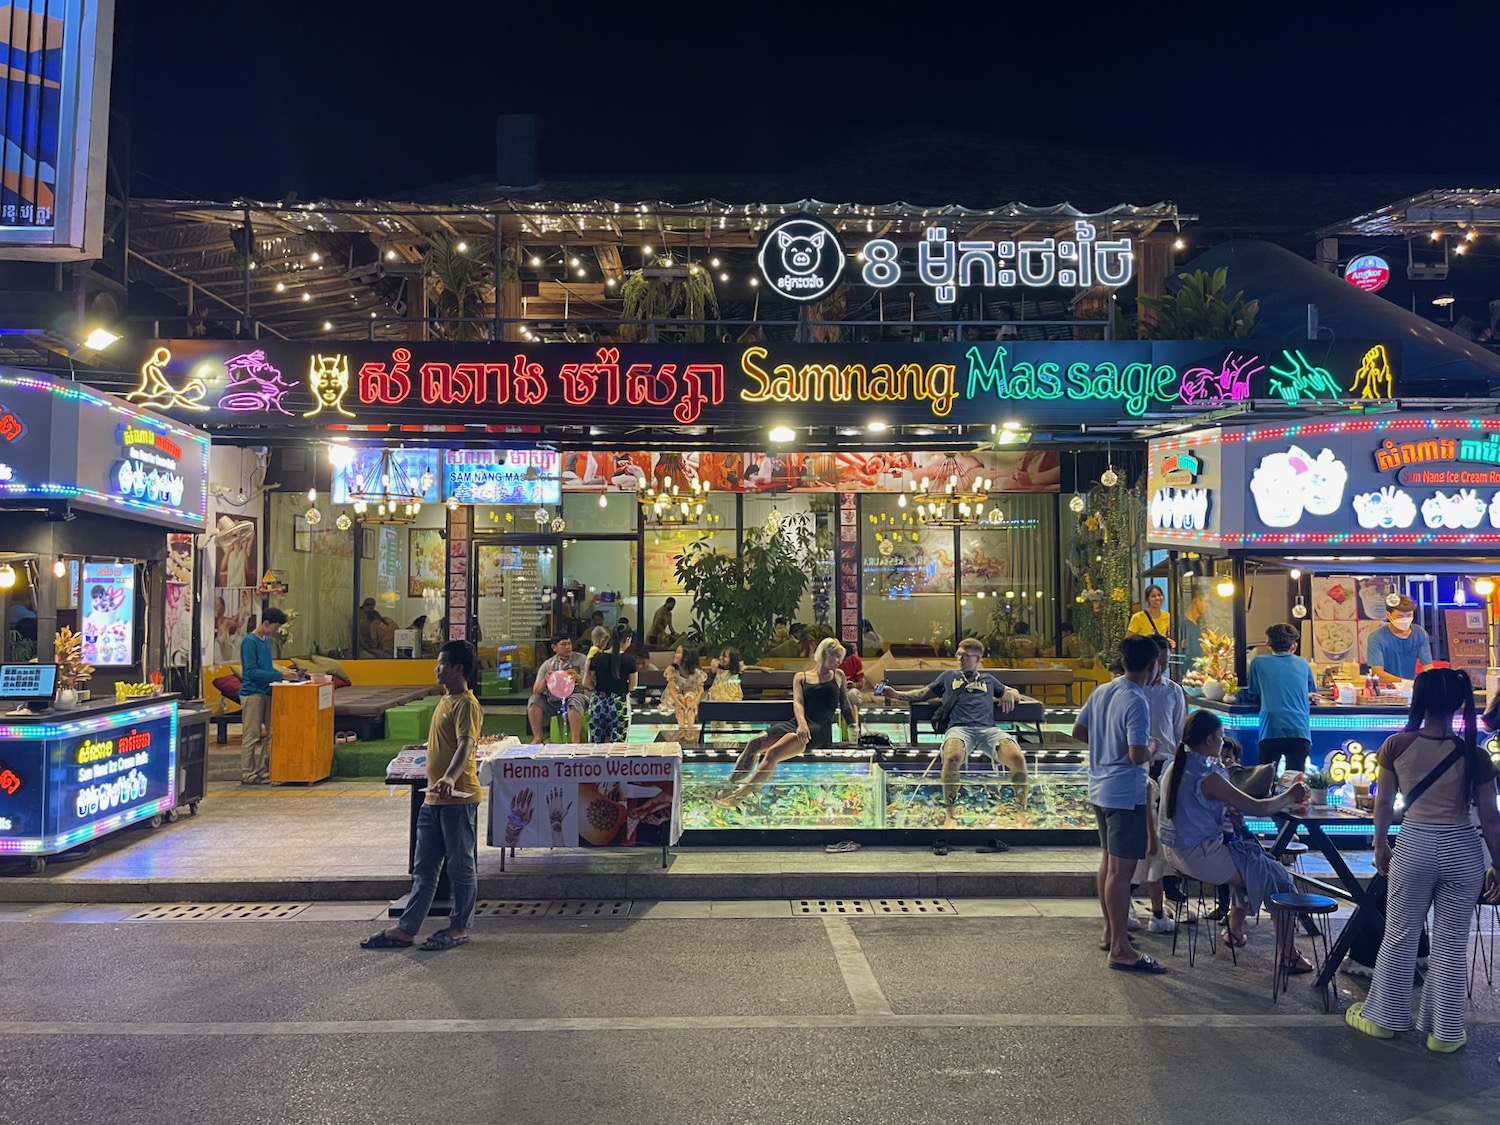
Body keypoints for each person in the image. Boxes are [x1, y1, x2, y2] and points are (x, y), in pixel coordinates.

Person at [1346, 668, 1500, 1053]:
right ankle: (1445, 1032)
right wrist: (1498, 864)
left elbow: (1384, 803)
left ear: (1420, 701)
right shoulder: (1476, 755)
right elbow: (1490, 817)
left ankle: (1384, 1019)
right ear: (1459, 704)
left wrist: (1380, 843)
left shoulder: (1396, 746)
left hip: (1413, 846)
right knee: (1450, 945)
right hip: (1462, 849)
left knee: (1400, 935)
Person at [1159, 709, 1311, 969]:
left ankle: (1235, 929)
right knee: (1277, 876)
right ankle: (1288, 955)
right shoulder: (1208, 774)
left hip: (1175, 853)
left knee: (1253, 860)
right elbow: (1260, 808)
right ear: (1208, 740)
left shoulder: (1176, 765)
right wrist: (1291, 794)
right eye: (1221, 736)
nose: (1223, 740)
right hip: (1202, 857)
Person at [361, 640, 484, 952]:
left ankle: (459, 927)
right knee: (424, 868)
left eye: (442, 663)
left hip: (459, 797)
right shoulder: (445, 700)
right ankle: (407, 928)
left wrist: (449, 777)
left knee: (460, 865)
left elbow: (466, 745)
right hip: (433, 799)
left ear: (458, 668)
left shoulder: (466, 705)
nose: (436, 668)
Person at [1073, 635, 1160, 972]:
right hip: (1125, 794)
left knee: (1109, 864)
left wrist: (1106, 745)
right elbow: (1137, 754)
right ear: (1152, 666)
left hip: (1100, 788)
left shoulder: (1103, 690)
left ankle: (1112, 932)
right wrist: (1151, 747)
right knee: (1121, 874)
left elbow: (1079, 731)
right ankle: (1121, 949)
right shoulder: (1136, 700)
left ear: (1123, 663)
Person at [878, 636, 1025, 830]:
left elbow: (1013, 692)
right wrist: (896, 695)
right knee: (952, 756)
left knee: (1017, 757)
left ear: (977, 658)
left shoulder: (988, 680)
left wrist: (1009, 693)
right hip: (959, 728)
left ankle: (1022, 811)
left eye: (965, 656)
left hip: (988, 729)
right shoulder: (948, 677)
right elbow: (922, 693)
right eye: (958, 655)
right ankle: (950, 813)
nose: (959, 659)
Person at [719, 639, 857, 806]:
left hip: (819, 728)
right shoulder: (801, 677)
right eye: (836, 656)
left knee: (772, 753)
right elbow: (798, 703)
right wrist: (801, 724)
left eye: (840, 657)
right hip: (799, 723)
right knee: (754, 742)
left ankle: (738, 797)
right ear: (824, 653)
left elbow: (845, 706)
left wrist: (853, 729)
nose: (839, 661)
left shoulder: (838, 676)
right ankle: (728, 787)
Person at [1139, 635, 1187, 932]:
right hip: (1140, 765)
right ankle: (1137, 893)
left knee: (1168, 829)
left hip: (1167, 764)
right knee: (1145, 833)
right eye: (1159, 663)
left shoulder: (1174, 691)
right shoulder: (1133, 690)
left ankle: (1171, 889)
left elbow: (1180, 731)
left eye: (1167, 664)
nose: (1163, 669)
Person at [1244, 622, 1320, 771]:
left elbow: (1254, 692)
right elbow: (1311, 693)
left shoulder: (1258, 663)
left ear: (1268, 644)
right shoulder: (1304, 664)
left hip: (1271, 729)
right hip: (1299, 730)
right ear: (1294, 646)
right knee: (1294, 784)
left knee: (1265, 780)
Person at [239, 607, 301, 785]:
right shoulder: (249, 642)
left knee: (273, 732)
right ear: (266, 623)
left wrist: (284, 673)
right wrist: (279, 676)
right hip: (252, 693)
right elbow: (251, 672)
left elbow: (266, 668)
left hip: (267, 691)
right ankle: (248, 774)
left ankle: (262, 769)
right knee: (251, 735)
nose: (276, 631)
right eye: (274, 627)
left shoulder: (265, 641)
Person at [584, 622, 638, 743]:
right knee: (619, 744)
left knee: (595, 742)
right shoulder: (629, 660)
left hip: (599, 701)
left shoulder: (597, 657)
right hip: (619, 704)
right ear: (627, 639)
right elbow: (633, 686)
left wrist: (595, 687)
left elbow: (586, 682)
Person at [528, 633, 586, 742]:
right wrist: (545, 680)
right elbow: (536, 690)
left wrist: (578, 678)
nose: (568, 647)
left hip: (577, 696)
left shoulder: (581, 660)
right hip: (553, 700)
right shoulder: (548, 664)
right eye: (563, 644)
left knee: (574, 701)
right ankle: (537, 738)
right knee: (534, 700)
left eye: (569, 644)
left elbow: (589, 685)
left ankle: (575, 739)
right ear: (554, 647)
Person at [1366, 594, 1433, 684]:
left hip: (1410, 688)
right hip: (1385, 689)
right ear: (1388, 615)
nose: (1405, 620)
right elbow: (1377, 673)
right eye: (1400, 617)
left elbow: (1428, 667)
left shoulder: (1420, 634)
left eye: (1409, 615)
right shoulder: (1376, 637)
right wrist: (1406, 683)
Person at [661, 646, 705, 737]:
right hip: (677, 693)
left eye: (678, 653)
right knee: (681, 703)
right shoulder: (672, 670)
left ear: (685, 658)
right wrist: (678, 703)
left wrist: (695, 702)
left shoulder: (695, 672)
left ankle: (690, 728)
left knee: (689, 702)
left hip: (691, 691)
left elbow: (700, 689)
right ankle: (681, 729)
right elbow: (671, 689)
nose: (675, 655)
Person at [1181, 590, 1207, 663]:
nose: (1206, 605)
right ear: (1197, 601)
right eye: (1206, 601)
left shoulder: (1199, 625)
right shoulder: (1182, 624)